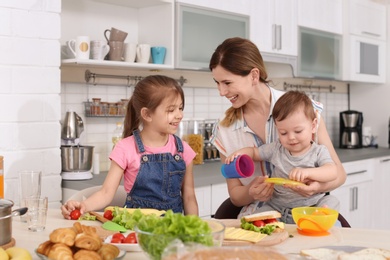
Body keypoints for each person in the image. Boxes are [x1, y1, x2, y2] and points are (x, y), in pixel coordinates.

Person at [209, 37, 346, 219]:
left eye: (227, 83)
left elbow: (339, 174)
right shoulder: (224, 129)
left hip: (307, 212)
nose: (221, 92)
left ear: (254, 76)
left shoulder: (303, 110)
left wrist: (318, 187)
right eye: (217, 83)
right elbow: (235, 195)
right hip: (263, 215)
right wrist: (251, 192)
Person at [61, 75, 199, 219]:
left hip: (173, 231)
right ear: (147, 114)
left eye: (181, 108)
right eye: (171, 110)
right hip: (135, 231)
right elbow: (106, 193)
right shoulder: (125, 148)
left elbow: (189, 197)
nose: (179, 115)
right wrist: (82, 206)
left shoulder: (182, 149)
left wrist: (193, 228)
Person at [225, 90, 339, 223]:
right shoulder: (277, 148)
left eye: (298, 131)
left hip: (310, 208)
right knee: (255, 218)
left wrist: (308, 172)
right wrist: (240, 153)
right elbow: (255, 153)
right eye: (283, 133)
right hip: (277, 207)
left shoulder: (318, 151)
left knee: (331, 201)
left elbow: (332, 171)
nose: (291, 137)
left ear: (313, 126)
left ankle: (317, 221)